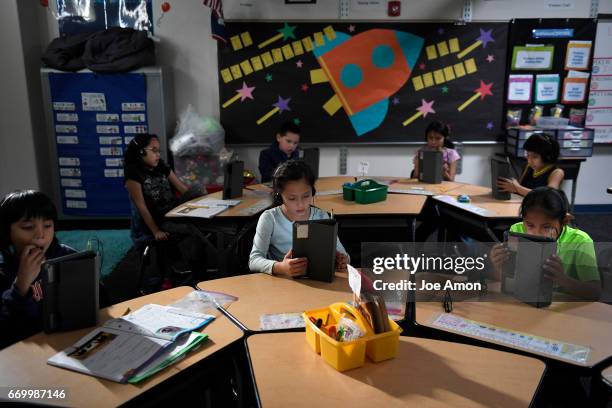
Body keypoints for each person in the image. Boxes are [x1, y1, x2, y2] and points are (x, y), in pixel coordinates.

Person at [491, 187, 601, 300]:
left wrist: (562, 279)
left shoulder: (580, 241)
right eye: (530, 225)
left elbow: (594, 291)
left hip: (562, 309)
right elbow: (503, 279)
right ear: (523, 219)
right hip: (526, 301)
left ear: (564, 221)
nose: (537, 233)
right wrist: (498, 266)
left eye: (546, 227)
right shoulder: (516, 231)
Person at [0, 190, 75, 348]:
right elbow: (6, 334)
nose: (40, 235)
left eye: (47, 225)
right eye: (28, 227)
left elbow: (100, 301)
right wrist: (21, 285)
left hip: (70, 339)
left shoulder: (65, 255)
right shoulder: (3, 271)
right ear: (7, 232)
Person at [249, 160, 349, 277]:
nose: (300, 204)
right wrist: (280, 267)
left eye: (306, 196)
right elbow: (254, 261)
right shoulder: (270, 218)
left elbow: (343, 254)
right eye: (292, 198)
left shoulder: (321, 216)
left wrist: (342, 261)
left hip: (317, 281)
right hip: (282, 284)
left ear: (313, 191)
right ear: (280, 195)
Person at [497, 133, 565, 196]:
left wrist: (517, 188)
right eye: (527, 155)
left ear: (547, 156)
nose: (529, 161)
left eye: (534, 157)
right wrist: (511, 186)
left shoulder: (557, 172)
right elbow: (519, 187)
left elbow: (547, 196)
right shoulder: (529, 167)